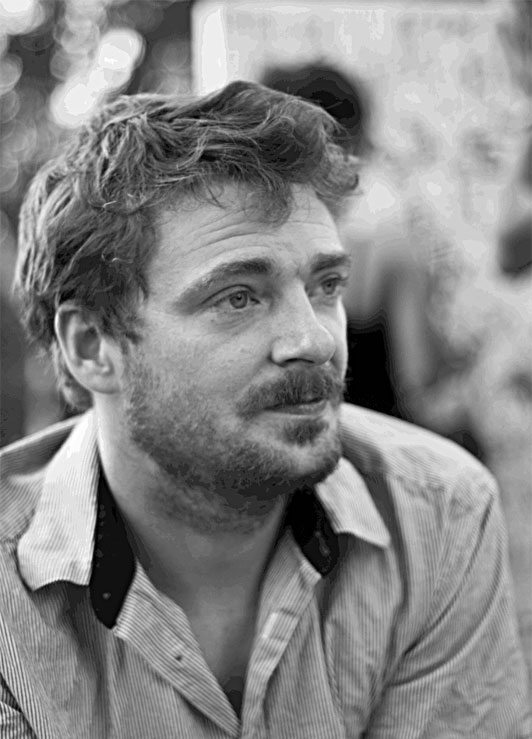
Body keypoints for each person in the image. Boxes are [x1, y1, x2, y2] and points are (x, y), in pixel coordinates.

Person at [0, 81, 529, 738]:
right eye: (239, 297)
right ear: (91, 346)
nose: (315, 339)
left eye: (326, 285)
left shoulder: (439, 516)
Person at [261, 63, 440, 422]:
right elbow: (417, 383)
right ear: (348, 144)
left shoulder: (247, 241)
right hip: (363, 438)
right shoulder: (385, 241)